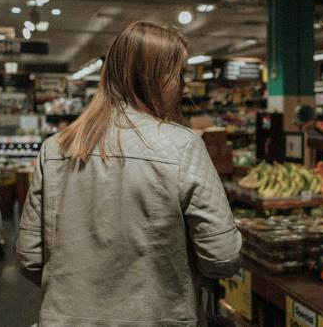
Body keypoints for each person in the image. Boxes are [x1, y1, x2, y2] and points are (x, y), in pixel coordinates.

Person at [17, 21, 242, 326]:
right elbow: (222, 258)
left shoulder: (56, 148)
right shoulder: (181, 145)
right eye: (180, 75)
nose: (185, 87)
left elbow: (30, 257)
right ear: (153, 78)